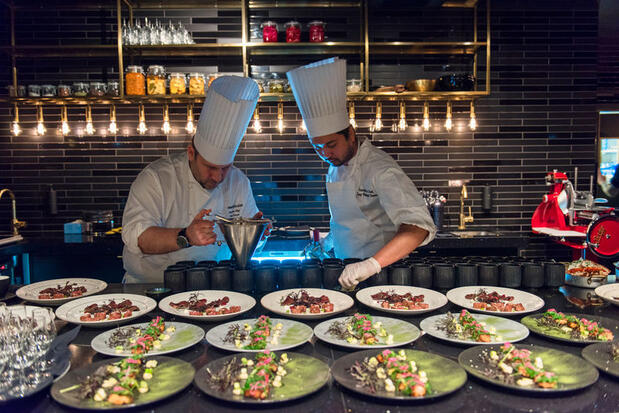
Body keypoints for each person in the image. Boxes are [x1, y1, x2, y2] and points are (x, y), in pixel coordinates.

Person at [287, 57, 436, 290]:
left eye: (331, 144)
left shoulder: (381, 169)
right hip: (348, 272)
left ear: (351, 134)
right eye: (318, 147)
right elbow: (350, 220)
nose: (325, 154)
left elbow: (418, 227)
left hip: (386, 277)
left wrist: (371, 265)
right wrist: (328, 244)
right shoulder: (335, 164)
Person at [122, 76, 267, 283]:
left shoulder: (238, 181)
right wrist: (186, 236)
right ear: (191, 153)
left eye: (225, 168)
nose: (218, 177)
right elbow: (140, 239)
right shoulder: (156, 178)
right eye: (210, 167)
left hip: (216, 288)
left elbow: (248, 241)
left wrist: (256, 234)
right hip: (153, 286)